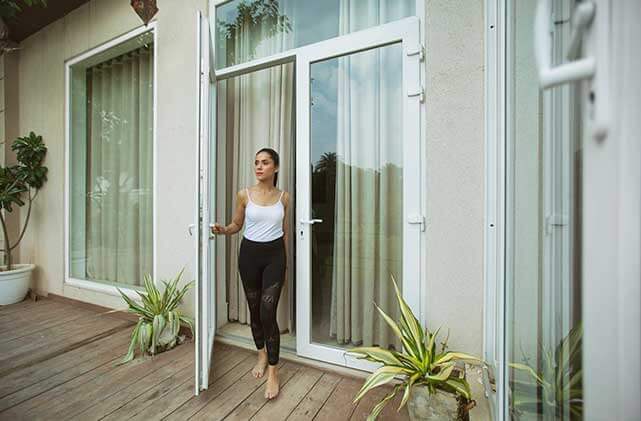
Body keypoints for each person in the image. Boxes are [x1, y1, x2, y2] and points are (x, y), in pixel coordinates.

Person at [211, 147, 289, 400]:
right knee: (255, 310)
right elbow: (237, 224)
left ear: (275, 167)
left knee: (268, 312)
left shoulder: (284, 198)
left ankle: (274, 372)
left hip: (275, 257)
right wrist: (224, 229)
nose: (259, 166)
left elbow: (284, 231)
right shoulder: (244, 194)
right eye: (256, 162)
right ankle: (261, 354)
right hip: (249, 257)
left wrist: (285, 261)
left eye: (265, 163)